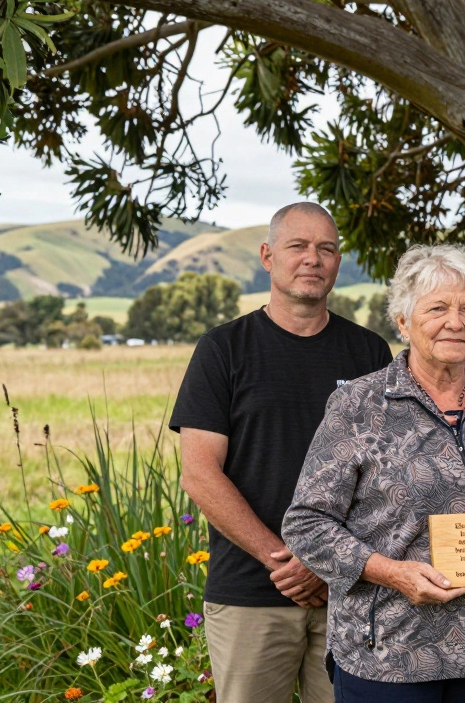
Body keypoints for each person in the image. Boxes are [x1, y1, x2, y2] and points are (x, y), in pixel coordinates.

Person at [282, 244, 465, 703]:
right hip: (386, 655)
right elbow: (306, 522)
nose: (455, 321)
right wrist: (391, 572)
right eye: (437, 308)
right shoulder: (359, 405)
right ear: (404, 322)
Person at [170, 203, 392, 703]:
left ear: (338, 262)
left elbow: (386, 478)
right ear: (268, 256)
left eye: (326, 249)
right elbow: (200, 474)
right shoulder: (223, 349)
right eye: (298, 246)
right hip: (251, 593)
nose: (313, 259)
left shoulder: (370, 354)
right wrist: (288, 561)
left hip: (349, 595)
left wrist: (326, 562)